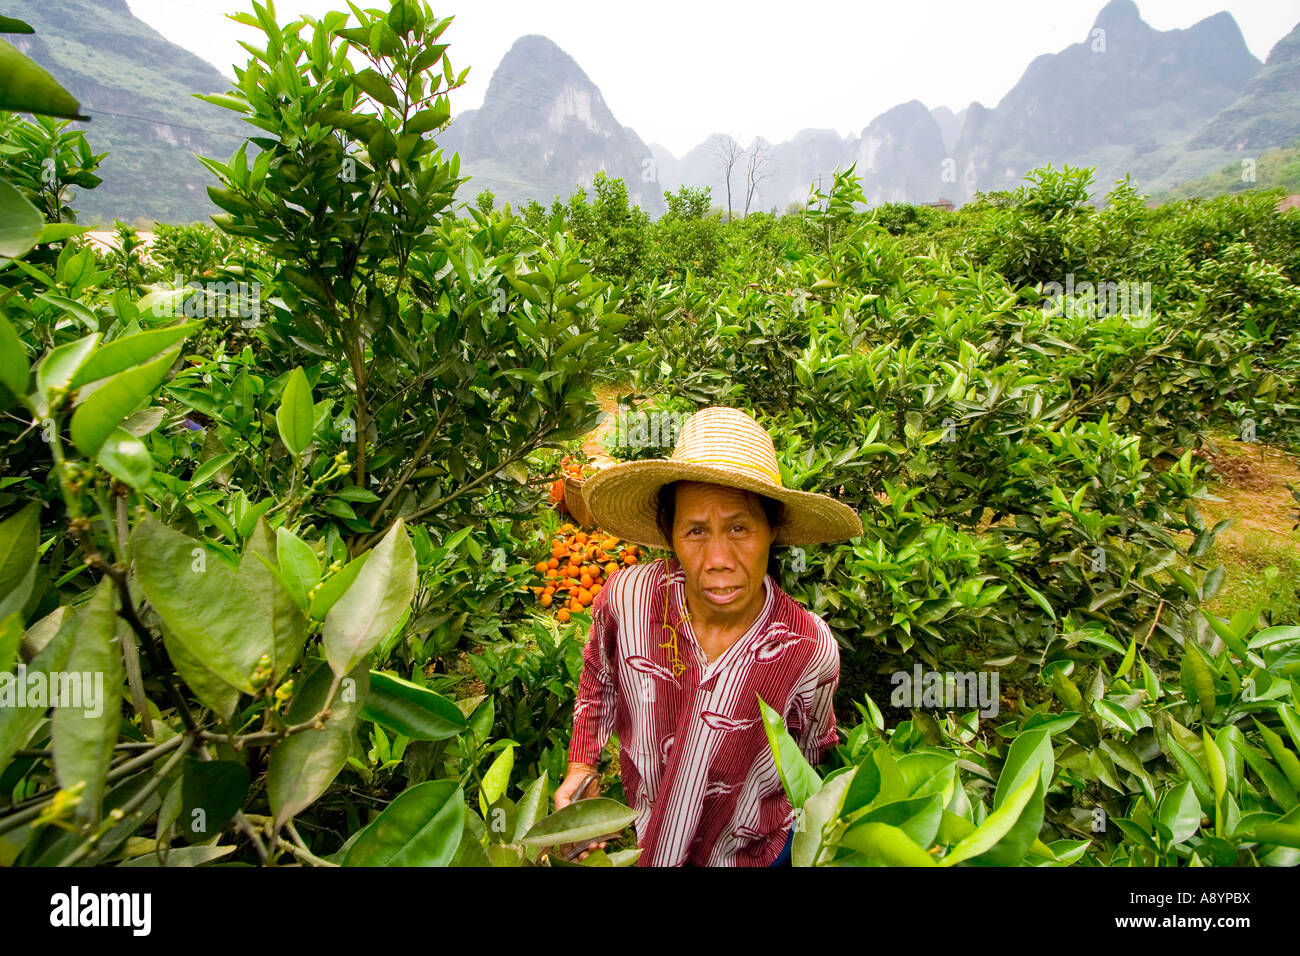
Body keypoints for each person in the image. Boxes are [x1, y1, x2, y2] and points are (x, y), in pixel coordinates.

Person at [554, 406, 862, 867]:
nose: (718, 558)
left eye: (740, 527)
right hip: (648, 838)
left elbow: (808, 756)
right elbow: (599, 679)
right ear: (669, 534)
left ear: (773, 530)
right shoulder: (628, 601)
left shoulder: (810, 650)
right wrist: (583, 765)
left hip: (754, 854)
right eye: (696, 530)